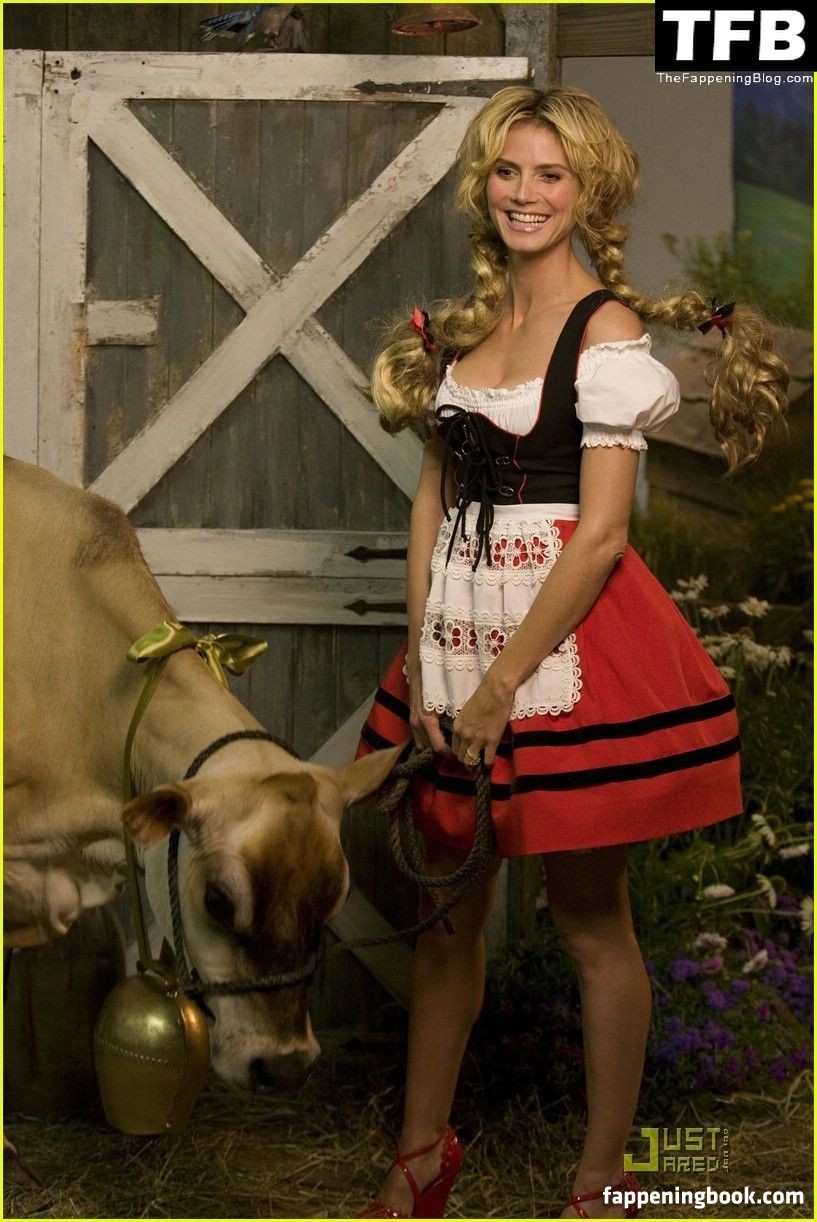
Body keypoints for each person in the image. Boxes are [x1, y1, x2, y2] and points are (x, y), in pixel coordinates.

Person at [355, 85, 788, 1220]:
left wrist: (501, 686)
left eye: (550, 174)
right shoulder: (464, 332)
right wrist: (428, 660)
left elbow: (599, 535)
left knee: (591, 919)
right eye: (508, 170)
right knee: (447, 915)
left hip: (560, 649)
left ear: (589, 191)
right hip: (460, 630)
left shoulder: (605, 334)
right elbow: (432, 499)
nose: (525, 193)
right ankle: (419, 1157)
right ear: (483, 184)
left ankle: (600, 1178)